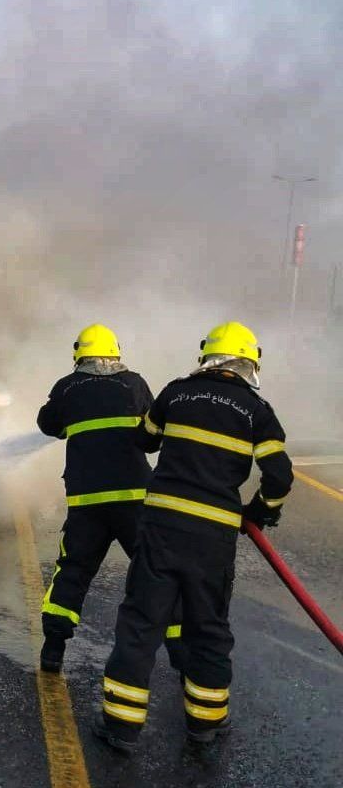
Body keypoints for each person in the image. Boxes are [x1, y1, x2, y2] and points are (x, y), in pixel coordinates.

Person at [94, 321, 292, 754]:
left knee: (142, 624)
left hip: (161, 527)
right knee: (207, 628)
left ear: (208, 355)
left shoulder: (175, 392)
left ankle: (121, 728)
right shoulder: (256, 410)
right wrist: (259, 513)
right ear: (250, 364)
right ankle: (205, 724)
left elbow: (144, 440)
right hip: (212, 537)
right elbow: (279, 475)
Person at [36, 325, 182, 673]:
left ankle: (53, 651)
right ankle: (182, 651)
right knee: (156, 571)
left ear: (79, 354)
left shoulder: (67, 387)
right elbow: (154, 433)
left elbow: (47, 424)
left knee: (73, 571)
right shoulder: (134, 383)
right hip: (134, 499)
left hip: (87, 502)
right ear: (116, 353)